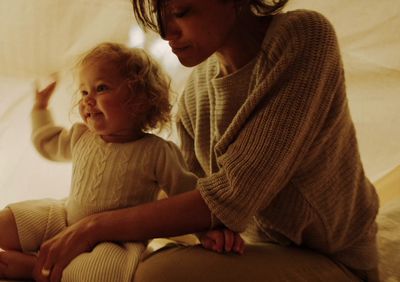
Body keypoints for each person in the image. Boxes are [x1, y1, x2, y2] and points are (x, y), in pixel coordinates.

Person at [9, 0, 380, 281]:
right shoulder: (195, 95)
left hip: (333, 257)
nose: (168, 32)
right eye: (161, 18)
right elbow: (201, 202)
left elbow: (228, 197)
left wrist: (93, 227)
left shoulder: (302, 38)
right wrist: (212, 232)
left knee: (157, 274)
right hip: (254, 246)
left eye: (182, 12)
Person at [0, 42, 244, 281]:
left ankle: (36, 266)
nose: (87, 99)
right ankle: (48, 257)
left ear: (140, 100)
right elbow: (47, 143)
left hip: (116, 242)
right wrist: (40, 107)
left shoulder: (157, 151)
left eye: (101, 88)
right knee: (6, 224)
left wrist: (208, 232)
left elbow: (185, 197)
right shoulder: (81, 135)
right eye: (84, 91)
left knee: (101, 274)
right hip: (64, 217)